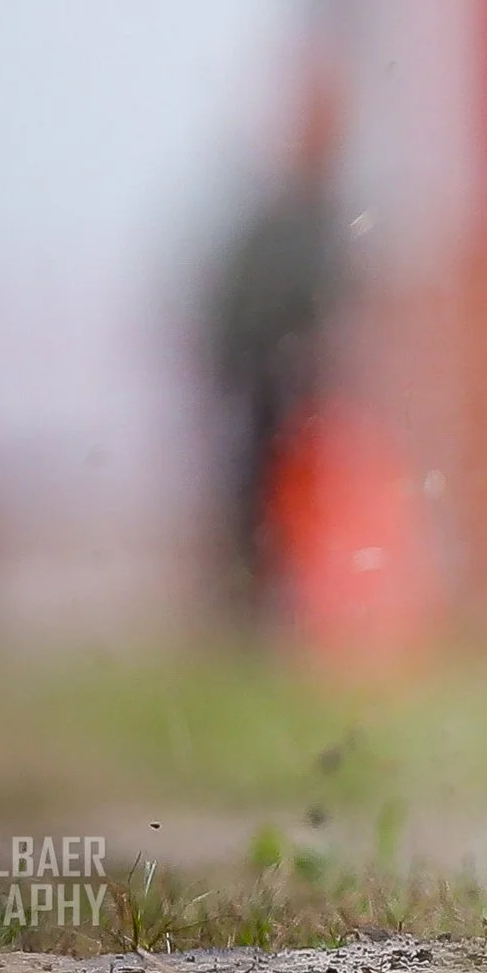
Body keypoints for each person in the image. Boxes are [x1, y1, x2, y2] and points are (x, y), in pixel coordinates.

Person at [203, 64, 350, 627]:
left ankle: (296, 614)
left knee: (298, 504)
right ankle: (245, 613)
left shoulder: (325, 214)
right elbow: (237, 304)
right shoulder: (274, 217)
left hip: (299, 385)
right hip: (257, 378)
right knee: (251, 501)